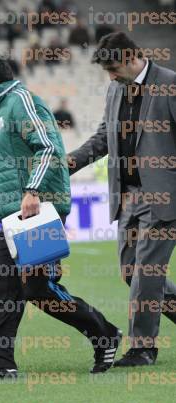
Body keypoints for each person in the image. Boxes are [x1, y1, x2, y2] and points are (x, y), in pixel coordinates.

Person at [0, 51, 121, 379]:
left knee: (26, 286)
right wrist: (5, 195)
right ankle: (2, 363)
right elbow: (19, 157)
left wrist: (32, 190)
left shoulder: (21, 102)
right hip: (17, 210)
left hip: (38, 211)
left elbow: (49, 147)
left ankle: (102, 334)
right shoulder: (6, 108)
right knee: (16, 286)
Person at [67, 32, 176, 366]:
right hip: (126, 196)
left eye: (113, 68)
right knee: (132, 272)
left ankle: (143, 347)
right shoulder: (116, 88)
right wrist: (68, 163)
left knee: (146, 271)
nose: (110, 76)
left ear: (131, 56)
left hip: (162, 196)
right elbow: (104, 137)